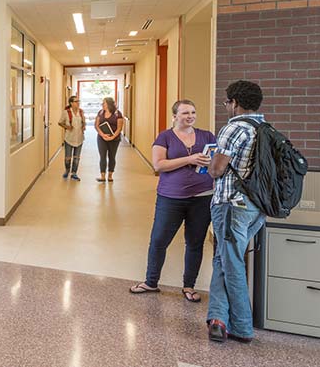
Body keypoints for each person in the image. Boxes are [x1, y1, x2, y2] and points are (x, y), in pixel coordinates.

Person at [130, 100, 215, 303]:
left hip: (202, 197)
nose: (190, 116)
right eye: (185, 113)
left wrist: (210, 162)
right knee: (159, 240)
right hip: (171, 198)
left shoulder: (207, 136)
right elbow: (159, 165)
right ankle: (151, 281)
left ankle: (189, 285)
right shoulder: (165, 137)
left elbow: (217, 160)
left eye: (193, 112)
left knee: (195, 243)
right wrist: (189, 159)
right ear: (175, 116)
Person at [205, 80, 267, 344]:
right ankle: (218, 319)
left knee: (232, 264)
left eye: (226, 103)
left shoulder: (234, 128)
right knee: (224, 258)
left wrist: (209, 163)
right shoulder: (265, 128)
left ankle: (242, 326)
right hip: (256, 207)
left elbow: (216, 169)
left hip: (232, 204)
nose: (226, 107)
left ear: (234, 103)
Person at [95, 97, 125, 183]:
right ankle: (102, 176)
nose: (102, 104)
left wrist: (112, 137)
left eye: (103, 103)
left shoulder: (117, 114)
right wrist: (102, 135)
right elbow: (96, 125)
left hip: (114, 139)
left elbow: (119, 128)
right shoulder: (100, 113)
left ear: (108, 104)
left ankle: (110, 175)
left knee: (112, 156)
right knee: (102, 156)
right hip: (102, 138)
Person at [57, 96, 85, 181]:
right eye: (76, 101)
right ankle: (67, 170)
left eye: (78, 101)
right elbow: (60, 122)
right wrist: (67, 127)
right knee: (68, 158)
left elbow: (83, 122)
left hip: (79, 138)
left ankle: (74, 173)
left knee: (76, 158)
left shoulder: (81, 112)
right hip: (69, 138)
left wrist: (84, 126)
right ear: (71, 103)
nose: (78, 103)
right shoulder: (66, 112)